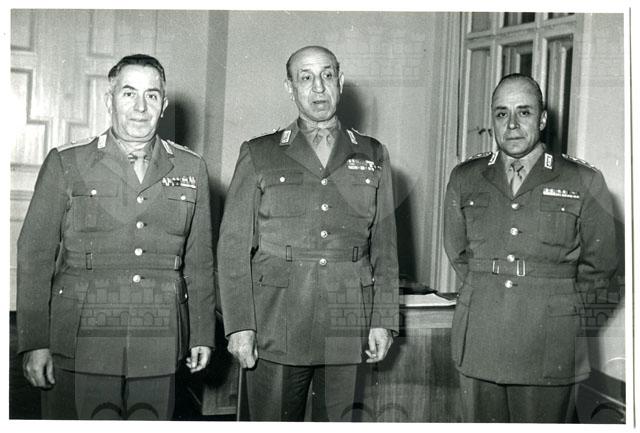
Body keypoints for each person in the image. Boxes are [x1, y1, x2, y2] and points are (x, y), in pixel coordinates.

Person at [17, 54, 216, 420]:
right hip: (82, 339)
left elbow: (200, 260)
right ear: (109, 100)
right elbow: (35, 255)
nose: (140, 107)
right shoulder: (68, 162)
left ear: (163, 104)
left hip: (159, 340)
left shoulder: (191, 167)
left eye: (151, 95)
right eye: (128, 94)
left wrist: (202, 332)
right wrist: (35, 341)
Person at [217, 45, 399, 421]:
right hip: (276, 322)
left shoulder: (372, 153)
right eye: (306, 77)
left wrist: (383, 319)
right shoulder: (260, 153)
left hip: (347, 321)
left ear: (340, 82)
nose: (318, 87)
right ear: (290, 87)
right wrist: (240, 325)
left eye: (327, 75)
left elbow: (385, 248)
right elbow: (233, 248)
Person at [443, 73, 618, 423]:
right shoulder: (466, 177)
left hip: (549, 344)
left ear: (542, 119)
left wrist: (560, 310)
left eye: (523, 112)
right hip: (481, 338)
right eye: (501, 113)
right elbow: (458, 253)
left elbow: (601, 268)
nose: (511, 124)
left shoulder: (582, 180)